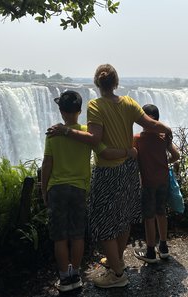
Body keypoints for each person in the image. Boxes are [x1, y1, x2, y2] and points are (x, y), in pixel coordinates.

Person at [46, 64, 172, 288]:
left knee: (102, 224)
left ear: (97, 83)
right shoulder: (129, 102)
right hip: (129, 170)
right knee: (122, 219)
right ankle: (118, 262)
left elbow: (94, 139)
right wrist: (167, 130)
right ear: (116, 82)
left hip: (108, 171)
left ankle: (118, 274)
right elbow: (151, 124)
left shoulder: (96, 106)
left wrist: (65, 131)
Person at [41, 90, 136, 292]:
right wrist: (129, 152)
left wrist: (44, 189)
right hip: (79, 189)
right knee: (77, 235)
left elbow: (47, 163)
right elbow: (104, 152)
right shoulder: (86, 134)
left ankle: (65, 279)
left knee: (59, 237)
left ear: (61, 111)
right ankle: (76, 273)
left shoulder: (53, 134)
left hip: (57, 189)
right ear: (79, 110)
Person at [133, 104, 180, 263]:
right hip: (163, 180)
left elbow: (133, 159)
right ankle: (164, 247)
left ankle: (150, 252)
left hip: (147, 182)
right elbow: (176, 155)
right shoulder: (163, 137)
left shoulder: (138, 139)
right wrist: (164, 162)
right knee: (161, 212)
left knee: (148, 217)